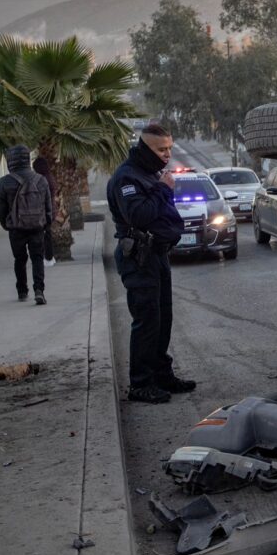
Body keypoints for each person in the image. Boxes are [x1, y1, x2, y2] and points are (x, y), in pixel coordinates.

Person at [107, 123, 195, 404]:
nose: (167, 154)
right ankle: (140, 384)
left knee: (163, 319)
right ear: (145, 148)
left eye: (169, 148)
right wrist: (162, 190)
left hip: (157, 255)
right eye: (161, 149)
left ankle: (161, 374)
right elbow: (139, 216)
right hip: (139, 257)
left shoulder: (148, 172)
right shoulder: (127, 177)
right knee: (146, 322)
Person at [0, 145, 53, 305]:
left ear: (10, 161)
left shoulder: (5, 182)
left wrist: (6, 223)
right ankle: (39, 290)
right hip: (37, 227)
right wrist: (47, 223)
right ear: (27, 159)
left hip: (16, 228)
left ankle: (22, 290)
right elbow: (48, 204)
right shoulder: (40, 180)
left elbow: (0, 207)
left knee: (19, 259)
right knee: (37, 258)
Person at [32, 156, 57, 268]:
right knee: (47, 234)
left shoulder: (42, 180)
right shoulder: (49, 177)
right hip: (50, 210)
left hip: (45, 211)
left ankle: (48, 257)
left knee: (45, 236)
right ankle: (49, 257)